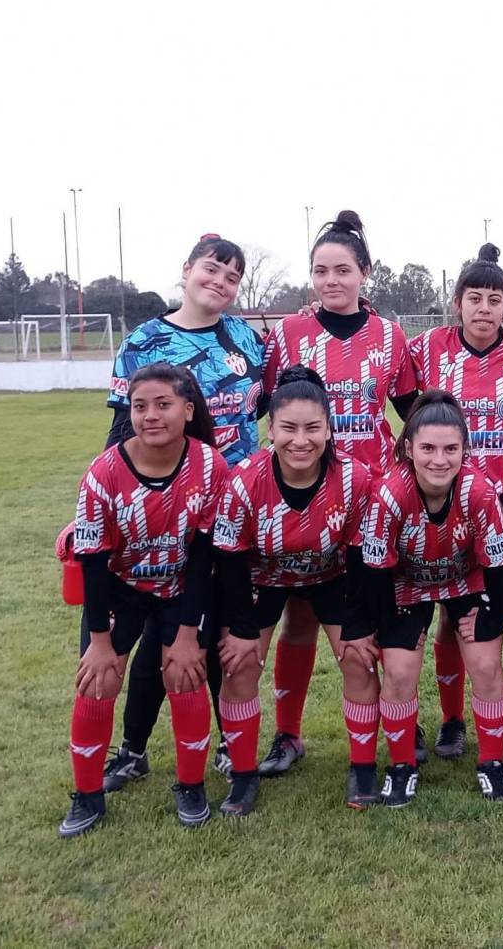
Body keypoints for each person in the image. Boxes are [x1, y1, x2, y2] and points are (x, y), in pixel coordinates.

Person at [95, 234, 262, 793]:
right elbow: (123, 428)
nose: (219, 281)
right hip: (159, 511)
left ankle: (223, 740)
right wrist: (109, 501)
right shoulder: (144, 341)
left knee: (208, 629)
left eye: (231, 276)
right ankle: (133, 748)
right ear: (187, 269)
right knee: (156, 637)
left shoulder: (248, 339)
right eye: (211, 269)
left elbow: (262, 407)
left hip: (230, 510)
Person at [257, 210, 420, 777]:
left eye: (343, 270)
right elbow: (261, 408)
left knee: (378, 610)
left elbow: (411, 409)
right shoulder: (288, 334)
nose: (331, 280)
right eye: (320, 270)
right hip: (304, 493)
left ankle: (401, 718)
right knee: (300, 620)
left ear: (364, 273)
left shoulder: (390, 335)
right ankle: (288, 733)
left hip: (372, 496)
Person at [59, 363, 227, 837]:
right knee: (98, 680)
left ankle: (190, 785)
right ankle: (88, 796)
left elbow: (202, 555)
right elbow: (92, 560)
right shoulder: (104, 471)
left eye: (163, 404)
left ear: (187, 409)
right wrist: (98, 640)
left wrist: (188, 633)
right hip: (120, 591)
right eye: (139, 406)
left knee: (185, 671)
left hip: (179, 588)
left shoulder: (209, 464)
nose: (150, 415)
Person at [212, 366, 377, 813]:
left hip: (332, 573)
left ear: (329, 428)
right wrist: (242, 629)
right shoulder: (245, 479)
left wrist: (360, 625)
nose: (300, 440)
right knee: (240, 664)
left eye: (312, 428)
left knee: (360, 660)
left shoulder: (355, 478)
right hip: (262, 576)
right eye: (288, 428)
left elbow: (364, 557)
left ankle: (363, 769)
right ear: (270, 429)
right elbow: (228, 558)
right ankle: (244, 776)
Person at [408, 243, 503, 760]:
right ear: (458, 302)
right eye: (475, 298)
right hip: (445, 501)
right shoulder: (426, 349)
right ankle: (451, 721)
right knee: (451, 615)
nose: (485, 309)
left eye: (495, 299)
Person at [350, 391, 503, 806]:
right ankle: (403, 765)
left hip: (467, 577)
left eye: (450, 449)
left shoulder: (479, 491)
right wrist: (391, 629)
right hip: (407, 584)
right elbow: (374, 570)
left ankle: (492, 763)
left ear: (465, 449)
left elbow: (500, 565)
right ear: (408, 448)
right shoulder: (389, 494)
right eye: (427, 448)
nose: (439, 460)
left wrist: (490, 618)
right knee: (400, 673)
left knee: (485, 663)